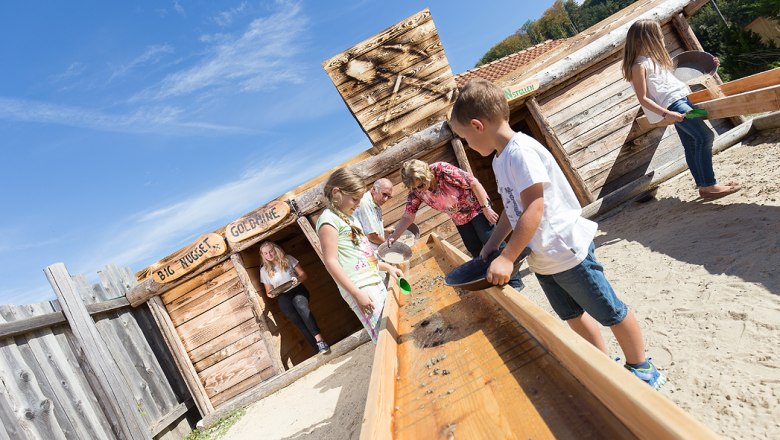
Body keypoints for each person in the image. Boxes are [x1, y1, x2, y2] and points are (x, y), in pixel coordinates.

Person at [449, 77, 666, 389]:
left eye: (464, 138)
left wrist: (509, 257)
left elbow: (534, 208)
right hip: (544, 257)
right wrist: (493, 245)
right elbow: (513, 210)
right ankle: (604, 365)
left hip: (566, 250)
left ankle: (643, 367)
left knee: (610, 311)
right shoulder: (500, 159)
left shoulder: (521, 152)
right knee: (573, 314)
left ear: (477, 125)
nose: (467, 145)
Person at [623, 19, 740, 200]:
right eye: (658, 35)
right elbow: (643, 98)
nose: (661, 38)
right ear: (647, 38)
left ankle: (705, 185)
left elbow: (679, 77)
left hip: (682, 100)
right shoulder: (639, 65)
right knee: (704, 136)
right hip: (674, 105)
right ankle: (709, 185)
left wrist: (710, 65)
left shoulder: (654, 60)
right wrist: (666, 114)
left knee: (692, 143)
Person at [387, 159, 524, 290]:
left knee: (491, 240)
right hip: (459, 218)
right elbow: (408, 215)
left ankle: (514, 280)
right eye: (415, 188)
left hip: (476, 208)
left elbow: (473, 183)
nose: (420, 190)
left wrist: (486, 207)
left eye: (421, 185)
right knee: (474, 248)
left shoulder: (441, 170)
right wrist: (394, 236)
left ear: (426, 174)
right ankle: (491, 280)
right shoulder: (416, 191)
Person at [316, 168, 404, 343]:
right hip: (361, 287)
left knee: (395, 328)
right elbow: (330, 261)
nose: (358, 203)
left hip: (374, 280)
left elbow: (365, 254)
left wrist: (387, 267)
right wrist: (356, 293)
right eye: (355, 199)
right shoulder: (328, 220)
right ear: (336, 193)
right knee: (385, 338)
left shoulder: (352, 219)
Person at [258, 241, 330, 354]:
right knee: (298, 321)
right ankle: (317, 349)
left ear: (276, 249)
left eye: (271, 251)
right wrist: (272, 294)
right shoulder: (264, 270)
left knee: (302, 307)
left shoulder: (288, 259)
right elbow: (268, 291)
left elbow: (303, 274)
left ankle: (320, 341)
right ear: (263, 255)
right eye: (265, 253)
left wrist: (298, 279)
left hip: (297, 289)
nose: (269, 255)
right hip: (282, 295)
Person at [354, 178, 394, 249]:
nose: (385, 199)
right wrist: (388, 243)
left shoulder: (375, 203)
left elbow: (366, 229)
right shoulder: (365, 203)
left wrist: (384, 230)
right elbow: (371, 235)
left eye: (389, 196)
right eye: (384, 194)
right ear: (374, 189)